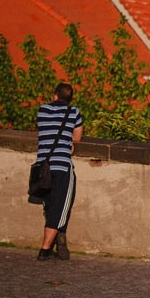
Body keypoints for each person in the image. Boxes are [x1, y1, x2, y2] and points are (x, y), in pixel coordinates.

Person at [35, 82, 83, 261]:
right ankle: (45, 249)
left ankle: (57, 240)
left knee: (49, 205)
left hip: (43, 166)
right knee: (61, 206)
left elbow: (42, 131)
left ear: (55, 96)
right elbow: (77, 137)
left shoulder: (42, 110)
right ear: (69, 99)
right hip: (62, 165)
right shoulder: (73, 112)